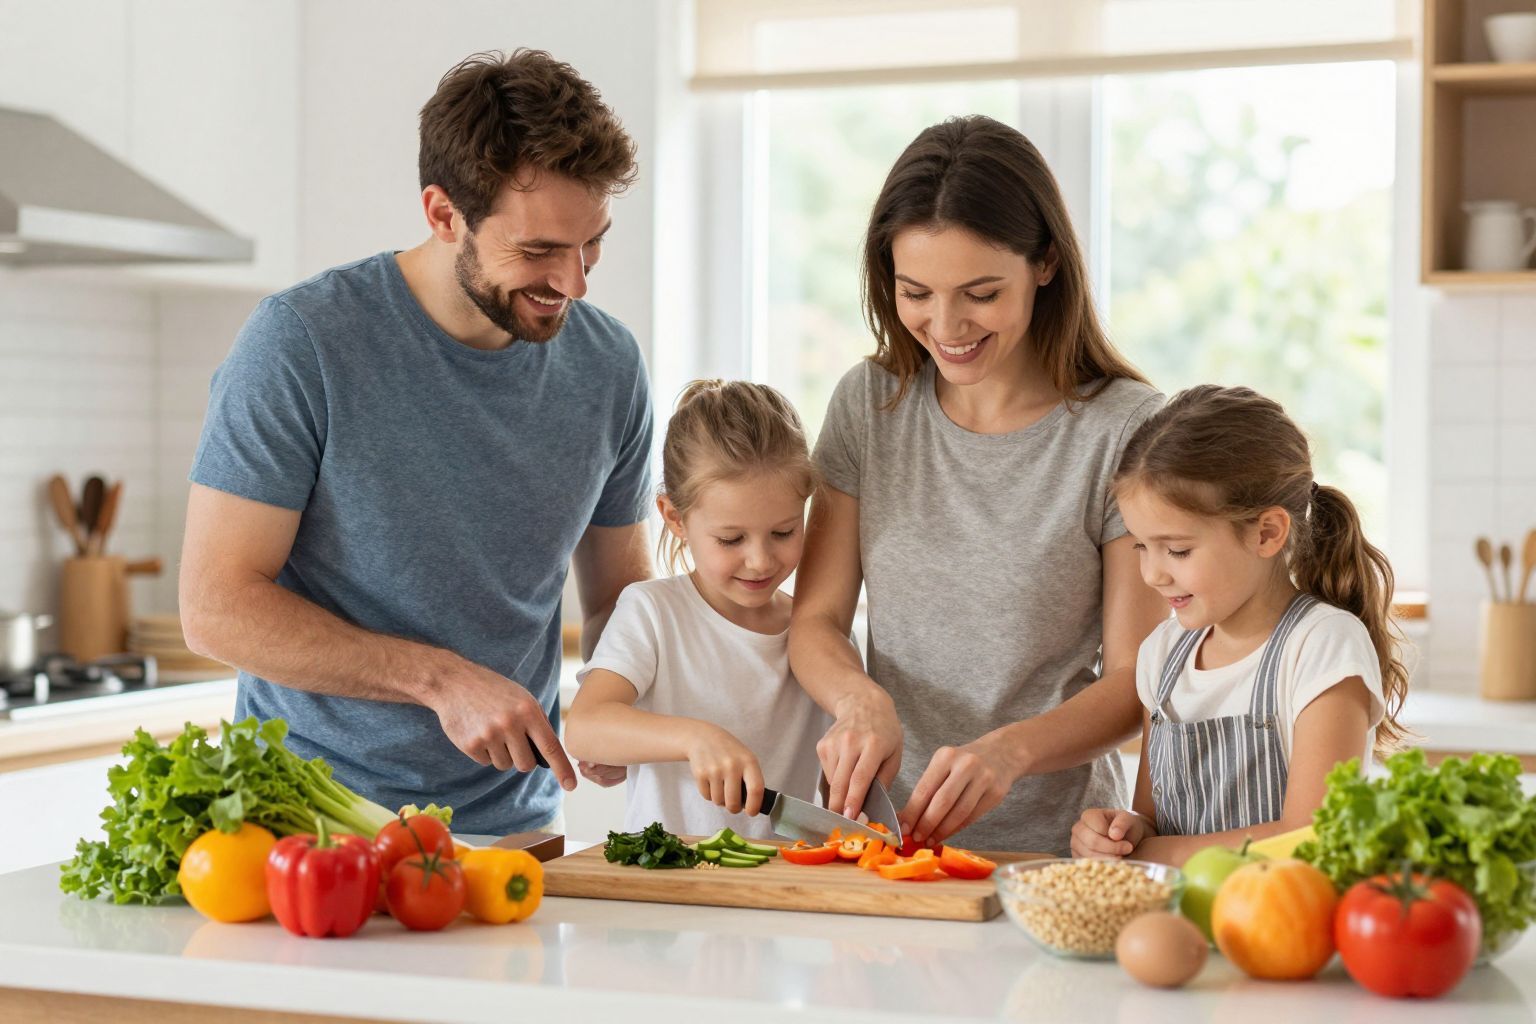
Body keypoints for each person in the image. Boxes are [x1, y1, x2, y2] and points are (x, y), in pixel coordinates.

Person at [178, 50, 653, 837]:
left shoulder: (607, 365)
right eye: (537, 252)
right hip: (310, 824)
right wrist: (441, 680)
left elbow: (615, 596)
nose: (575, 283)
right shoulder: (303, 343)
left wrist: (623, 690)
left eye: (592, 243)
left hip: (518, 826)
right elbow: (214, 608)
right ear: (442, 214)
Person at [789, 115, 1170, 855]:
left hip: (1055, 852)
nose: (946, 323)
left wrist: (1011, 751)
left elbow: (1134, 680)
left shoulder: (1123, 429)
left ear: (1046, 264)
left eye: (981, 292)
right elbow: (816, 624)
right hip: (882, 842)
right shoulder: (870, 404)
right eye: (916, 292)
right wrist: (858, 699)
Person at [1071, 385, 1407, 864]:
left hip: (1283, 930)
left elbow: (1315, 837)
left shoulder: (1321, 647)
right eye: (1142, 547)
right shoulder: (1163, 654)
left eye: (1178, 550)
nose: (1152, 574)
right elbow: (1152, 819)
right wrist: (1119, 833)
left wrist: (1151, 852)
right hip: (1178, 923)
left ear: (1267, 533)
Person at [563, 380, 830, 838]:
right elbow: (585, 726)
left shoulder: (817, 635)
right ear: (674, 518)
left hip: (787, 888)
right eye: (731, 539)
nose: (761, 560)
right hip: (670, 886)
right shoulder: (652, 612)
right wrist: (694, 738)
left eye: (784, 532)